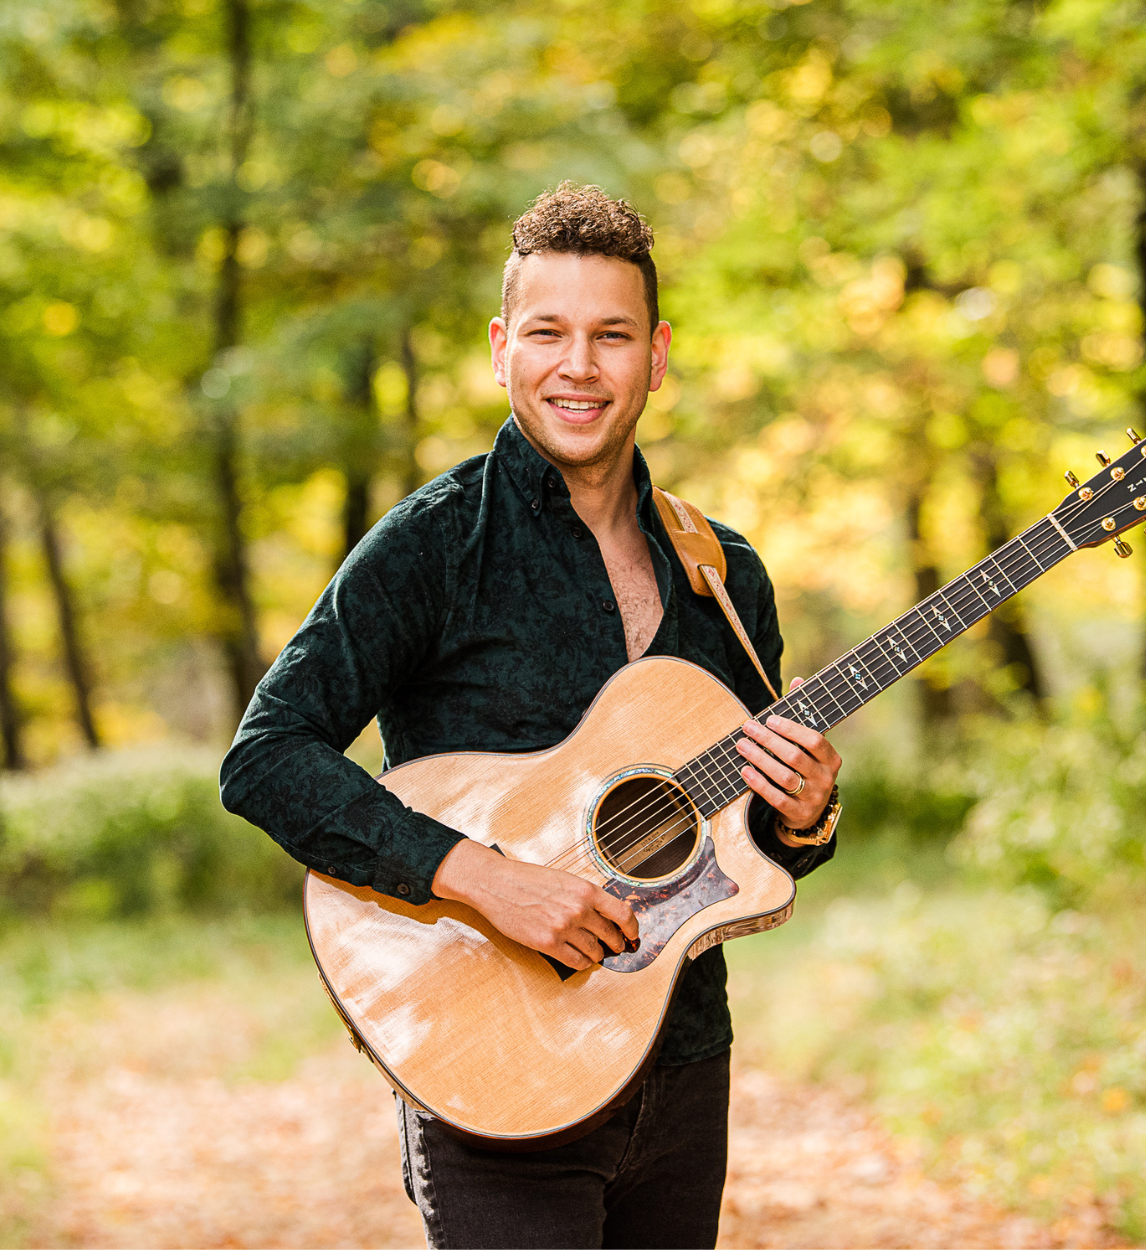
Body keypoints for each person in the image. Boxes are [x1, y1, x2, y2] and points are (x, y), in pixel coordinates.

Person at [219, 182, 842, 1250]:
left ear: (657, 353)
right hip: (493, 1062)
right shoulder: (432, 545)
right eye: (548, 333)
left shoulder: (723, 571)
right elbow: (266, 756)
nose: (579, 366)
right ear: (501, 348)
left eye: (612, 335)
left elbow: (745, 844)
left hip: (681, 1061)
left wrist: (809, 812)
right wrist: (487, 878)